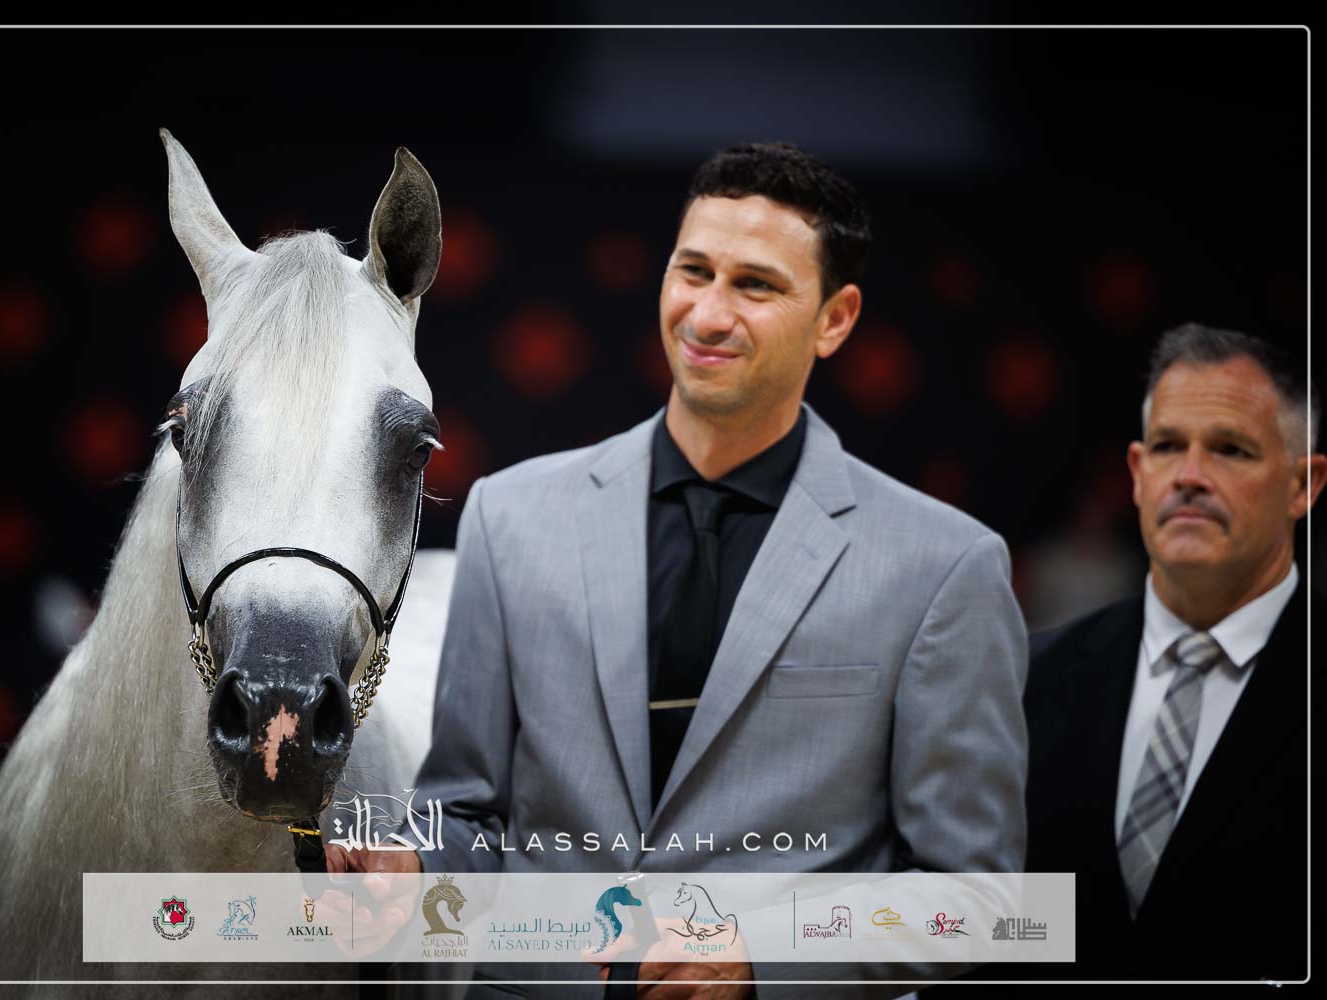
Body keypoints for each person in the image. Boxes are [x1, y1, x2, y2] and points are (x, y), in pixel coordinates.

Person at [335, 142, 1028, 998]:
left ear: (836, 318)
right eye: (693, 271)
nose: (707, 314)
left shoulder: (944, 565)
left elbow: (977, 894)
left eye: (756, 286)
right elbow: (467, 815)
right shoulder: (510, 515)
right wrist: (413, 868)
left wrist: (767, 954)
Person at [1022, 324, 1320, 982]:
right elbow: (990, 927)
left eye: (1230, 450)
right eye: (1167, 447)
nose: (1189, 477)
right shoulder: (1028, 681)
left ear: (1304, 485)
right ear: (1136, 473)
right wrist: (788, 932)